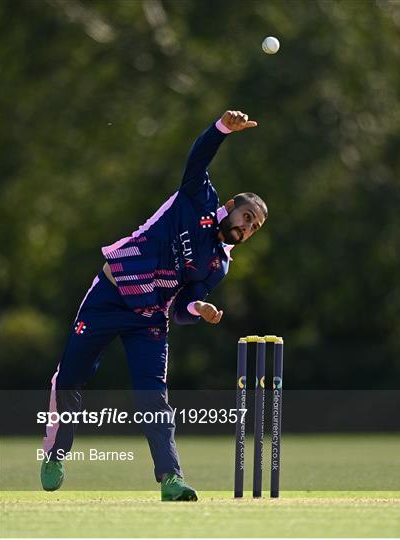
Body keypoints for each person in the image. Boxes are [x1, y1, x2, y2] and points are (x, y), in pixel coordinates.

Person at [41, 110, 268, 501]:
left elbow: (183, 306)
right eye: (246, 217)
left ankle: (170, 479)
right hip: (110, 295)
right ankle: (55, 454)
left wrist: (201, 310)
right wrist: (220, 130)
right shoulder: (197, 198)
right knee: (71, 377)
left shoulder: (219, 263)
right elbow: (198, 157)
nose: (246, 228)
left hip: (150, 318)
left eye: (253, 228)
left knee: (153, 397)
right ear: (230, 205)